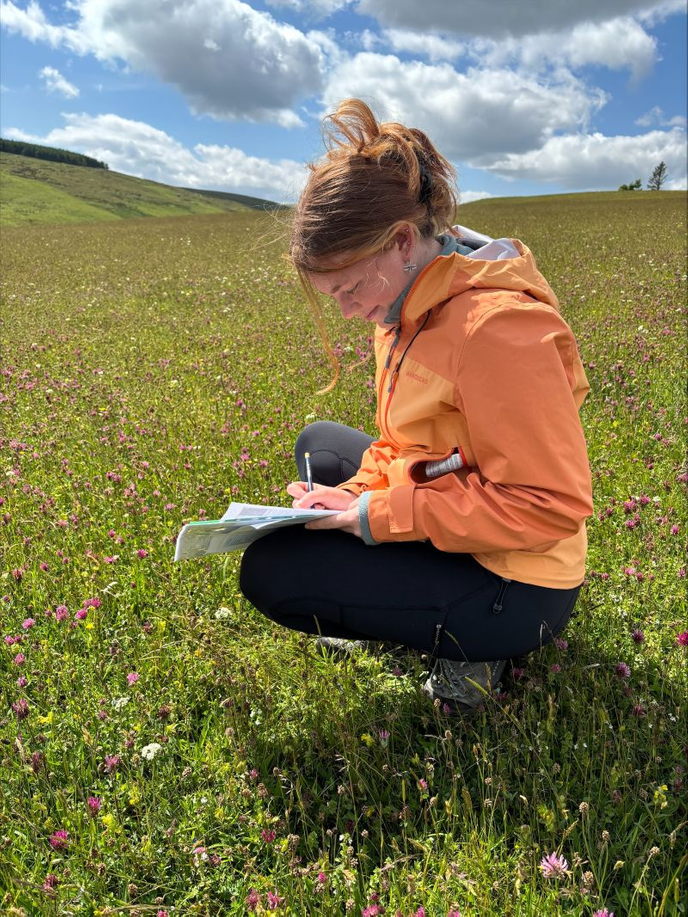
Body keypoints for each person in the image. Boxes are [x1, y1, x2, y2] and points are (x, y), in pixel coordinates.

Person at [239, 99, 593, 712]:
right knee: (320, 447)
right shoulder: (409, 297)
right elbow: (406, 442)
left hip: (519, 579)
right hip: (453, 495)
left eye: (349, 288)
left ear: (402, 240)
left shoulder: (497, 332)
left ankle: (474, 652)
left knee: (273, 572)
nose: (348, 311)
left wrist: (377, 517)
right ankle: (394, 602)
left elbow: (549, 507)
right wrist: (353, 494)